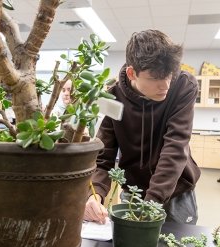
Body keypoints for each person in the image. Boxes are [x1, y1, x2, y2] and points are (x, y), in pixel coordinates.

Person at [84, 29, 201, 225]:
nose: (165, 85)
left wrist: (152, 203)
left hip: (176, 192)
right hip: (133, 193)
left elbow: (175, 147)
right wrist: (95, 194)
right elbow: (104, 155)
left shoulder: (183, 85)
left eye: (168, 75)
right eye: (155, 78)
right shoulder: (113, 97)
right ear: (132, 73)